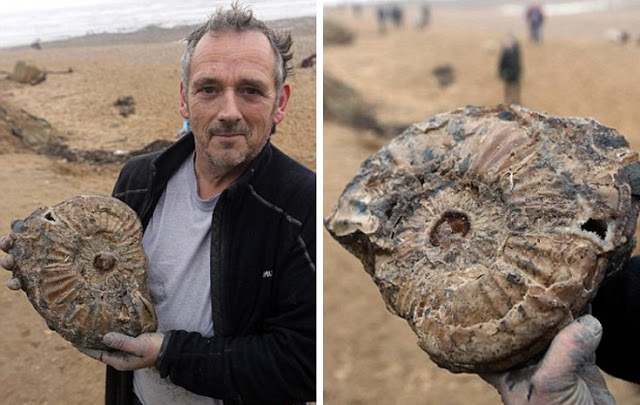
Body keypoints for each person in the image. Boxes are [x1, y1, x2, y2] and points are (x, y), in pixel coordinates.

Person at [1, 3, 316, 405]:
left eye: (251, 90)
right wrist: (44, 265)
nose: (229, 112)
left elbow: (303, 362)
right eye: (209, 88)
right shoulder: (138, 179)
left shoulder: (300, 204)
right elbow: (108, 288)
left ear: (281, 102)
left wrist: (167, 354)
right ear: (184, 100)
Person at [498, 34, 522, 105]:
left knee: (515, 88)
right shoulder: (505, 53)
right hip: (507, 74)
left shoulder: (516, 52)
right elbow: (501, 64)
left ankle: (516, 101)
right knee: (508, 88)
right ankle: (508, 101)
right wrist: (501, 73)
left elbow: (517, 64)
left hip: (515, 74)